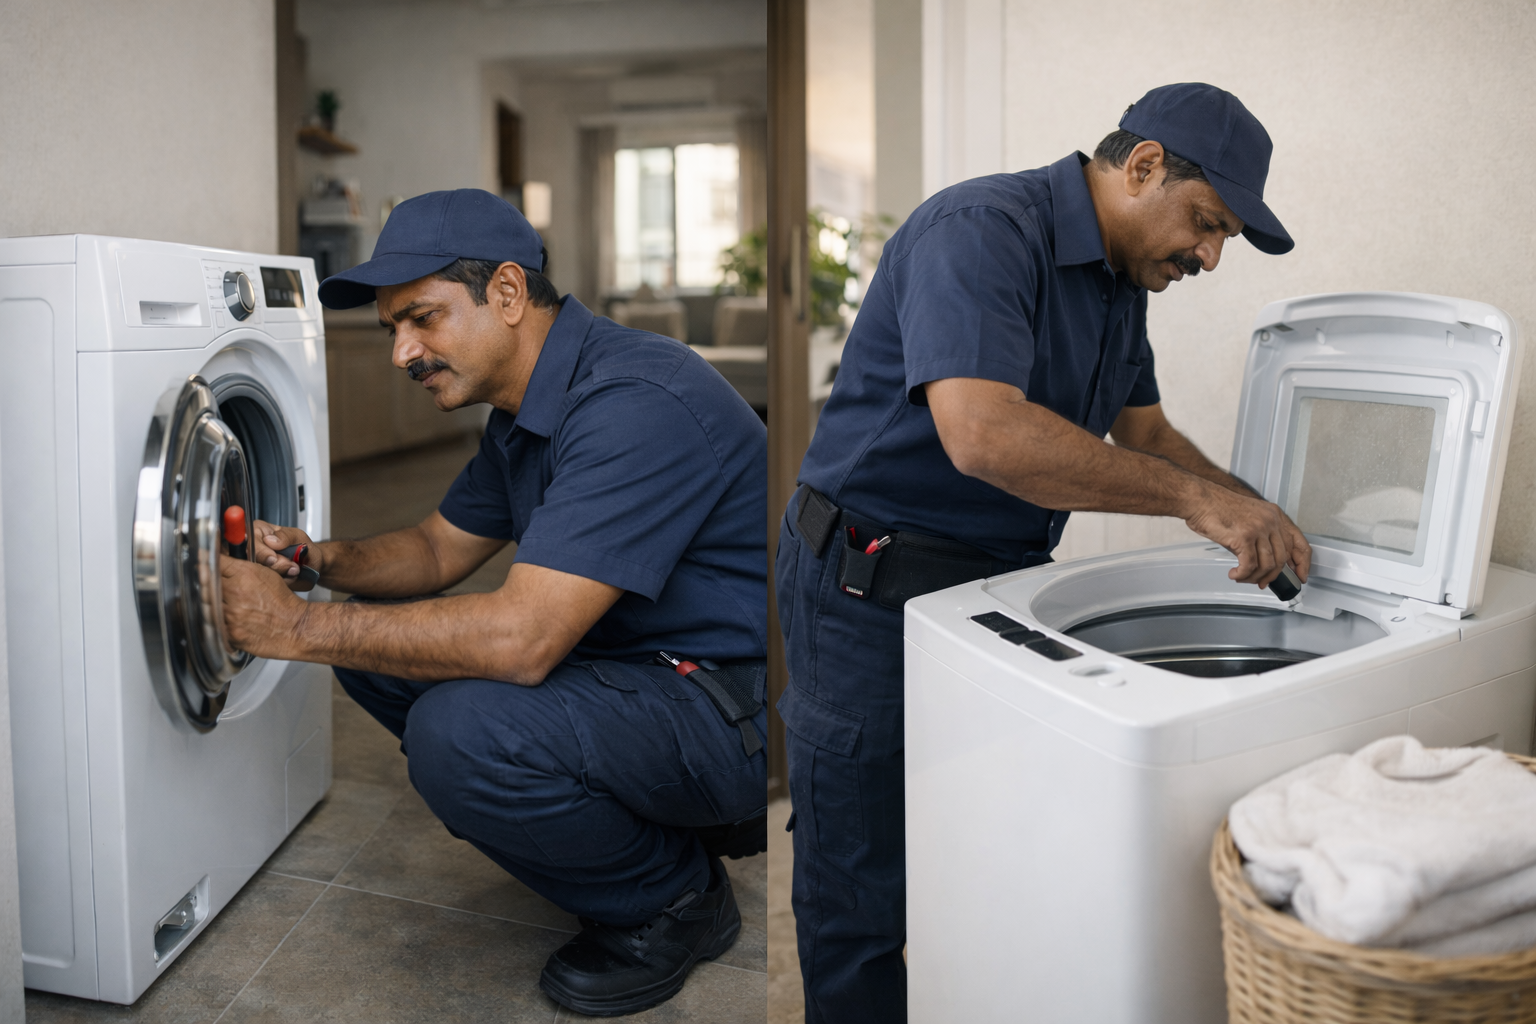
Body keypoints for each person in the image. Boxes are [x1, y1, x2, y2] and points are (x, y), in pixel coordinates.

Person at [776, 83, 1313, 1021]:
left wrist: (1253, 508)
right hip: (864, 586)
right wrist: (1198, 505)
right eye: (1207, 223)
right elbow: (985, 435)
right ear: (1142, 165)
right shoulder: (983, 229)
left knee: (971, 848)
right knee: (858, 878)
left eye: (1223, 235)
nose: (1211, 256)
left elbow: (1143, 432)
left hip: (990, 590)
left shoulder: (1118, 276)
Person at [219, 189, 769, 1017]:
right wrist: (319, 562)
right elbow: (437, 549)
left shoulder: (635, 402)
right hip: (649, 668)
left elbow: (522, 640)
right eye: (391, 330)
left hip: (745, 709)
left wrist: (294, 624)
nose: (402, 352)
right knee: (373, 654)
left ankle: (675, 900)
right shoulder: (521, 412)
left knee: (458, 730)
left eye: (423, 320)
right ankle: (634, 825)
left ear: (508, 294)